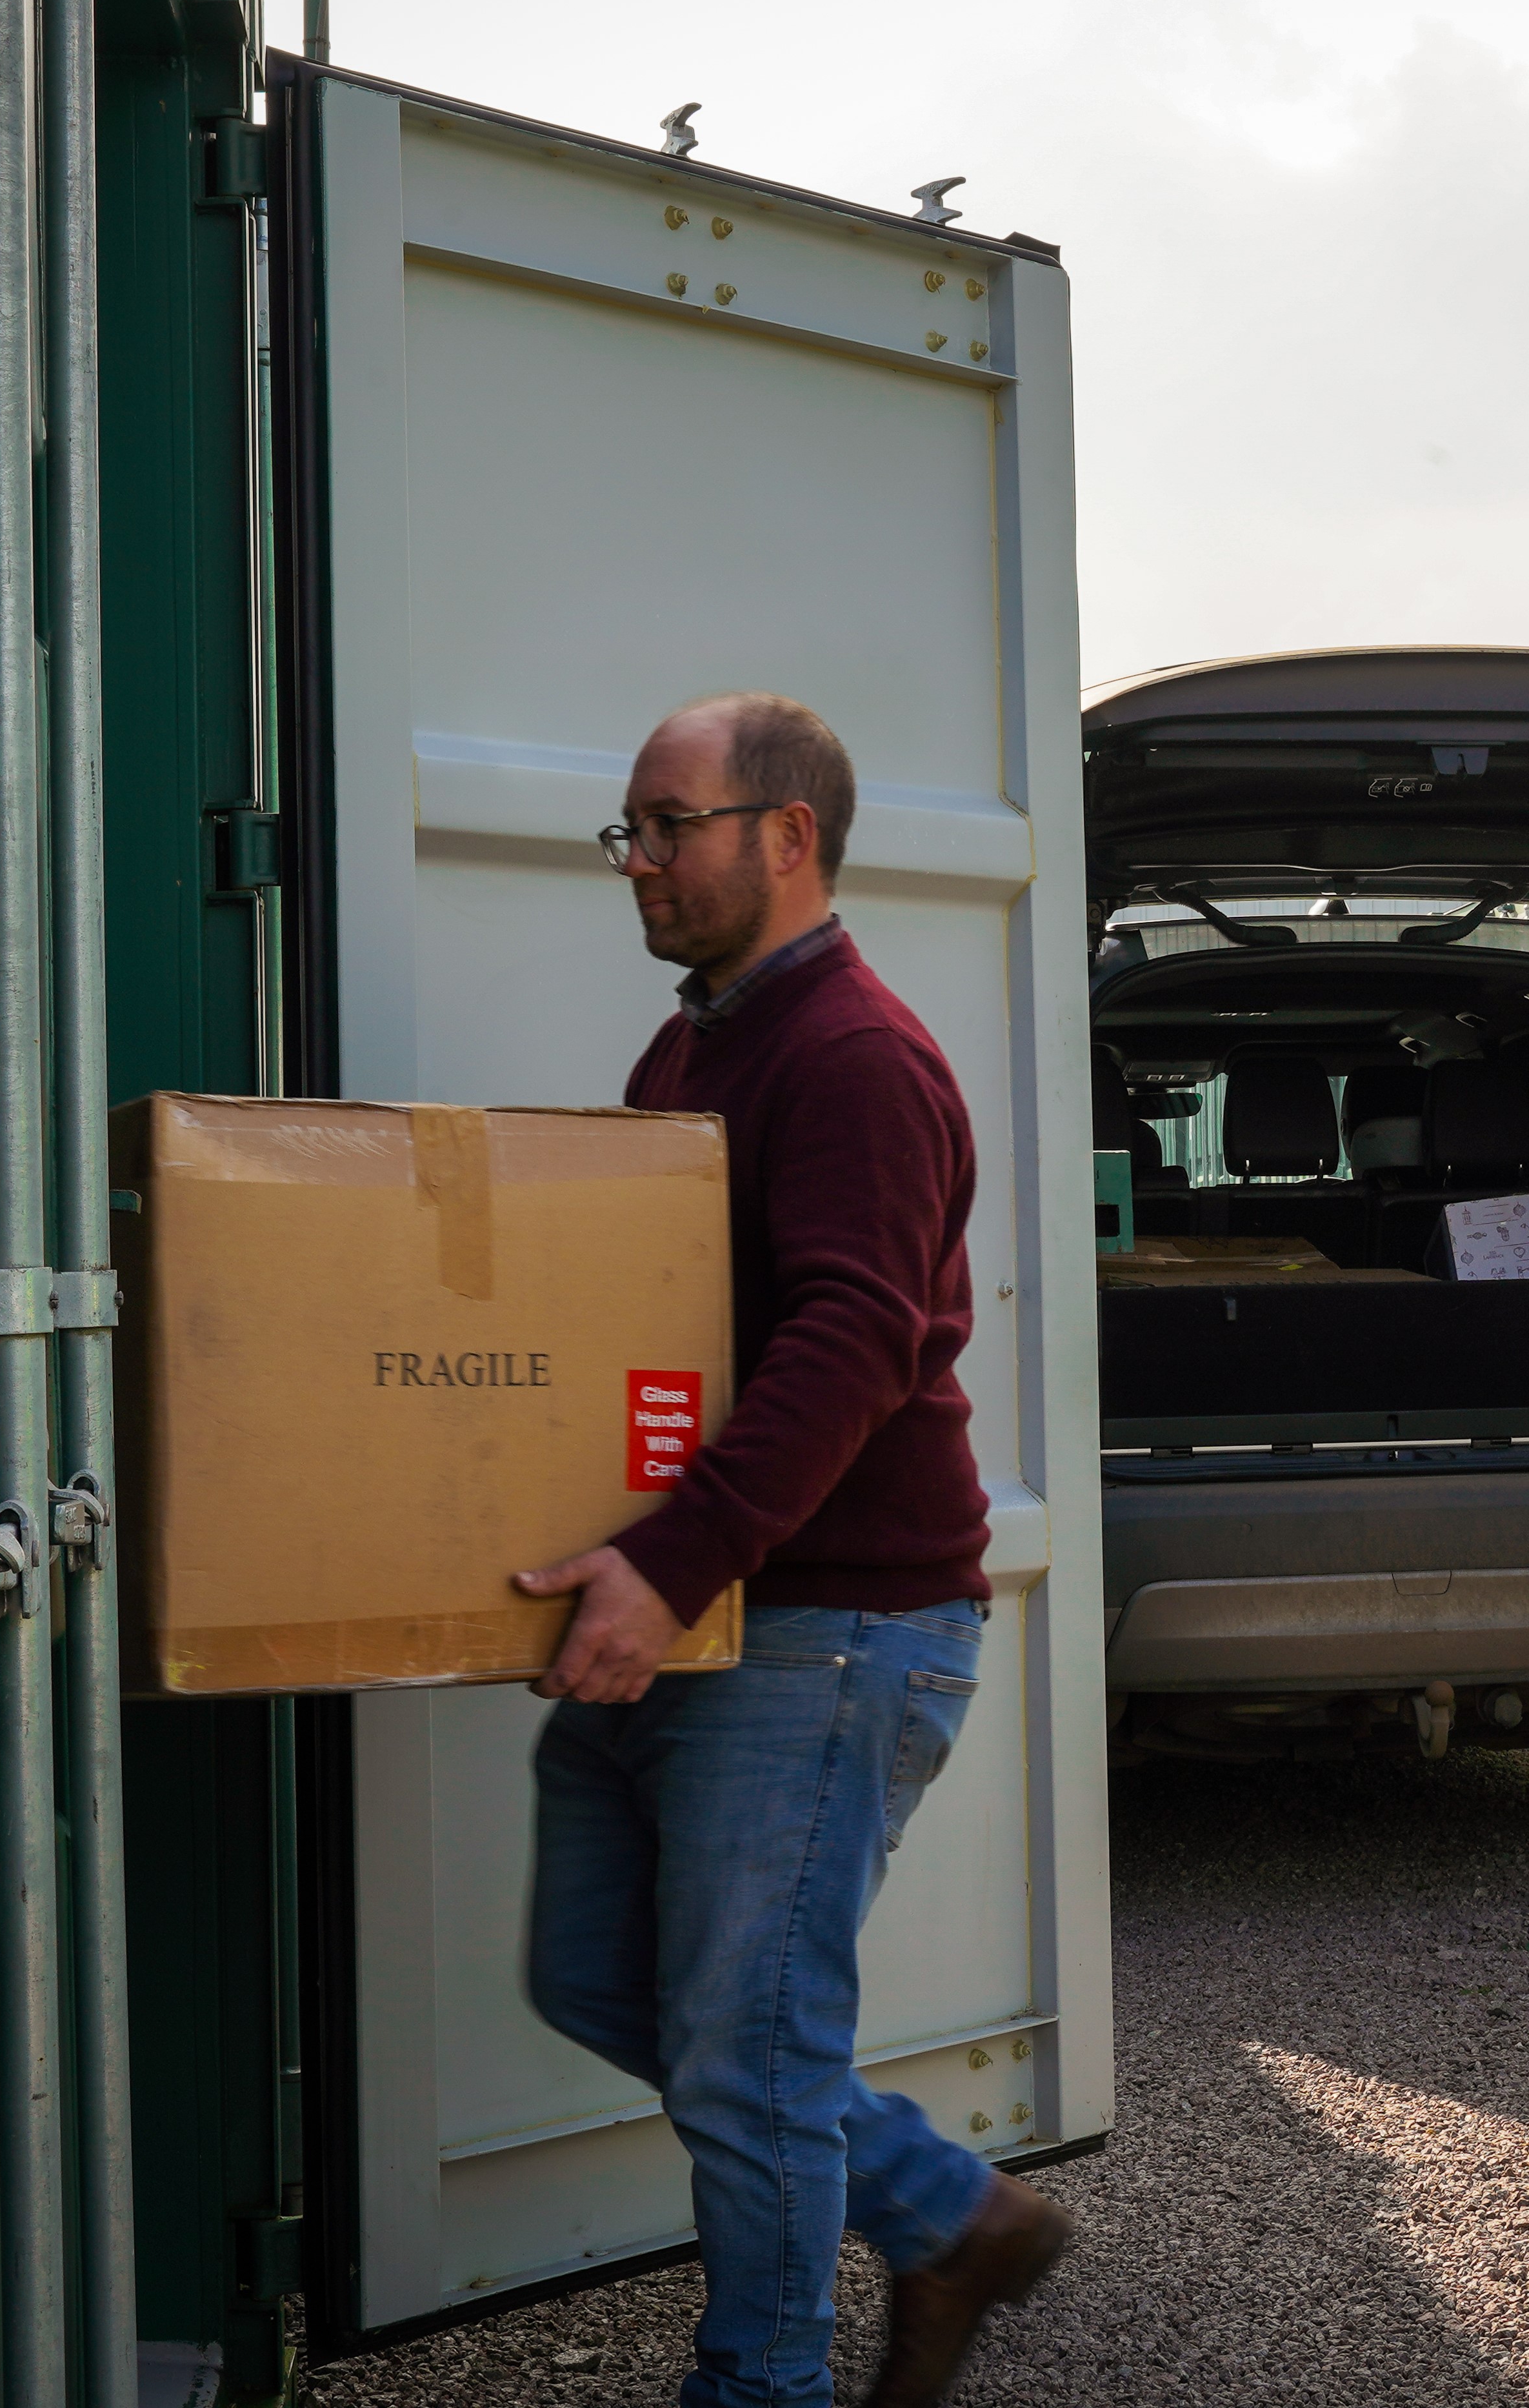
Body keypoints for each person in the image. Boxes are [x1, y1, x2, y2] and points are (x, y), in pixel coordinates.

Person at [514, 692, 1071, 2407]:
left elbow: (852, 1340)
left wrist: (671, 1562)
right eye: (628, 828)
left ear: (788, 836)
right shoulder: (690, 1054)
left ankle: (762, 2386)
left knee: (748, 2062)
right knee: (595, 1978)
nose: (637, 859)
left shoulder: (854, 1058)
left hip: (830, 1630)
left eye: (667, 824)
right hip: (710, 1605)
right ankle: (950, 2214)